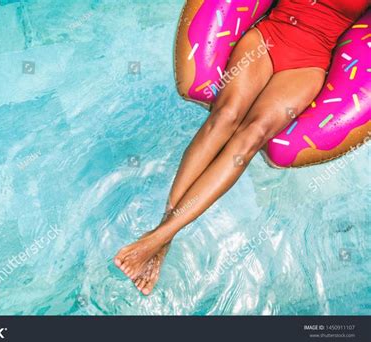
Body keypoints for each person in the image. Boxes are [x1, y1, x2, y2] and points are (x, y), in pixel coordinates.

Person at [114, 0, 369, 295]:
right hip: (267, 39)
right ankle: (161, 237)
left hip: (308, 64)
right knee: (225, 116)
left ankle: (160, 237)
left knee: (250, 138)